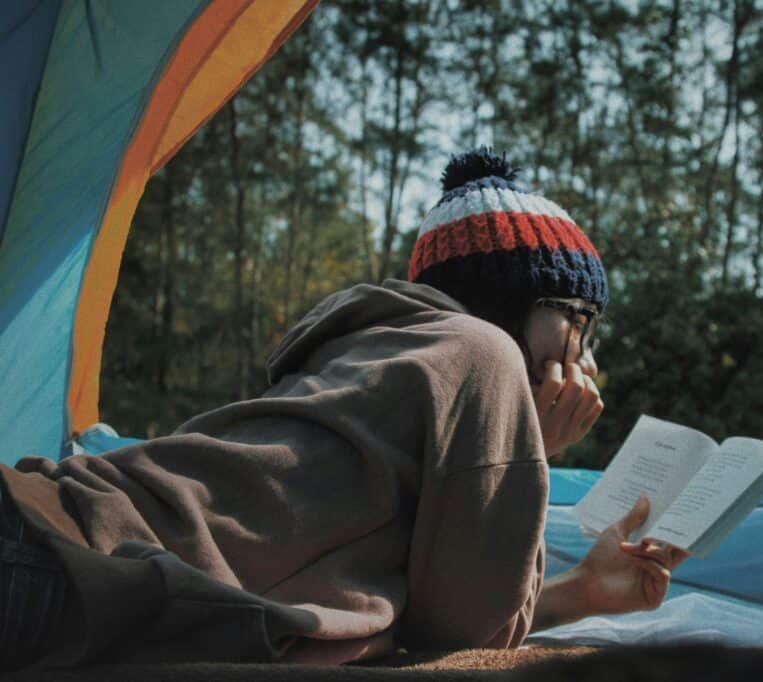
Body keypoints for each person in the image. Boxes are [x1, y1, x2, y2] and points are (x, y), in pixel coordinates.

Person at [0, 148, 686, 671]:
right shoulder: (483, 355)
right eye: (579, 321)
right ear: (511, 304)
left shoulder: (386, 353)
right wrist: (531, 445)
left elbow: (427, 606)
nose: (589, 358)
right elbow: (467, 642)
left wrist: (581, 591)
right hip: (62, 563)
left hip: (45, 535)